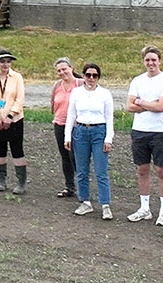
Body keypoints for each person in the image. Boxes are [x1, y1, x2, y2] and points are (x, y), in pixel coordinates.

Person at [125, 46, 163, 226]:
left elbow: (161, 107)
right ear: (143, 61)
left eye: (154, 59)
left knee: (161, 170)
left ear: (160, 61)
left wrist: (141, 102)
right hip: (139, 131)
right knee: (142, 170)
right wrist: (149, 104)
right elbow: (129, 107)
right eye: (147, 60)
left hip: (159, 132)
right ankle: (144, 208)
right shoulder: (137, 81)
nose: (151, 63)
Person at [64, 63, 115, 220]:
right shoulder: (76, 93)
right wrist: (67, 136)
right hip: (80, 131)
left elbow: (109, 117)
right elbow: (71, 115)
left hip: (99, 131)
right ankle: (85, 201)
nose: (91, 78)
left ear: (98, 77)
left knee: (101, 170)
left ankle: (105, 205)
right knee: (82, 170)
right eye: (88, 75)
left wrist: (109, 138)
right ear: (83, 76)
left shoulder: (105, 94)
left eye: (95, 75)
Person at [0, 50, 27, 194]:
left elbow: (20, 99)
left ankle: (21, 182)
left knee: (17, 150)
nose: (5, 64)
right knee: (0, 150)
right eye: (2, 62)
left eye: (8, 61)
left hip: (14, 120)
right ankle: (1, 180)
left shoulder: (17, 77)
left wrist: (10, 116)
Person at [49, 58, 82, 198]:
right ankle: (69, 186)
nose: (62, 72)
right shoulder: (57, 86)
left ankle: (83, 188)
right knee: (65, 156)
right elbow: (53, 104)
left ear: (71, 68)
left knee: (77, 157)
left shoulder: (81, 84)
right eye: (59, 70)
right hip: (60, 124)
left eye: (64, 69)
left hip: (77, 126)